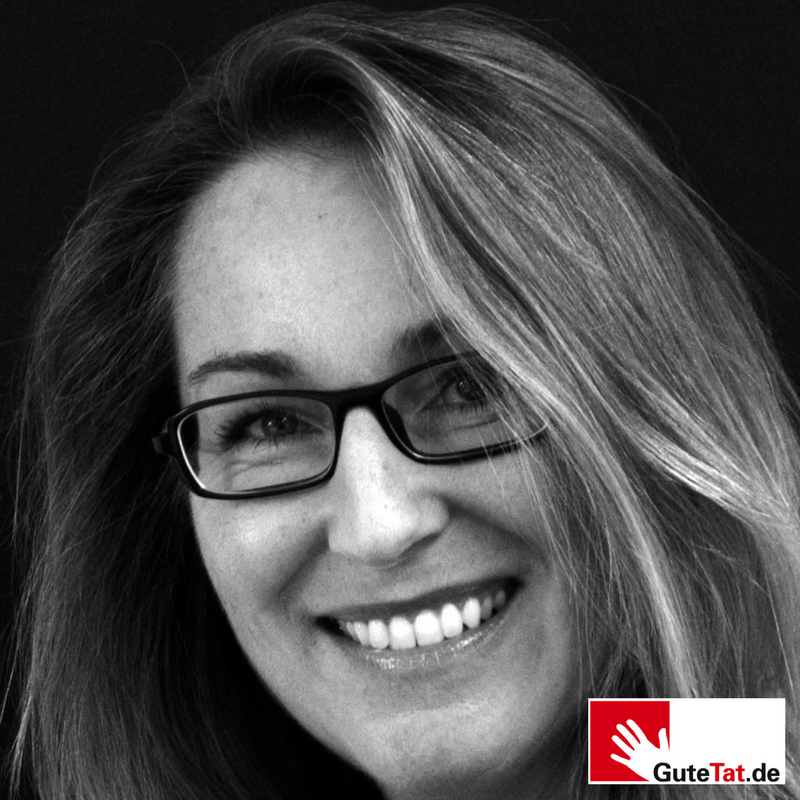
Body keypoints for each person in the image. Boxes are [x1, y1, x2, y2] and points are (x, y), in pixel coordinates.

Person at [9, 5, 800, 799]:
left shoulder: (753, 752)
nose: (379, 526)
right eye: (269, 423)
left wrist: (729, 750)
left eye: (470, 385)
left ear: (649, 411)